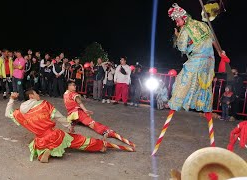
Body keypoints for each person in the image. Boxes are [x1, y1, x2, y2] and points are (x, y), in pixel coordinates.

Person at [152, 3, 222, 155]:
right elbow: (214, 41)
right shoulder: (203, 25)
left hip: (197, 61)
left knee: (182, 80)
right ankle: (205, 109)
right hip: (210, 62)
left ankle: (175, 104)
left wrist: (177, 37)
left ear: (183, 17)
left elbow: (182, 48)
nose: (176, 22)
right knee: (205, 86)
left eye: (177, 20)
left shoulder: (185, 30)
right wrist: (221, 53)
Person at [5, 90, 134, 163]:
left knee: (37, 144)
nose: (39, 96)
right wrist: (69, 126)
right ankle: (100, 146)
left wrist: (11, 99)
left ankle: (44, 153)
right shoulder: (44, 104)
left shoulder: (20, 113)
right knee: (78, 141)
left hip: (40, 139)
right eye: (37, 94)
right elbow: (59, 116)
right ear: (31, 96)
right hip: (55, 135)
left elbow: (8, 113)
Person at [64, 81, 135, 147]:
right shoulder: (73, 94)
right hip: (77, 113)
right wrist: (85, 110)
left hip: (71, 114)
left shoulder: (65, 94)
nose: (75, 87)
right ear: (69, 86)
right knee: (91, 123)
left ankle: (73, 123)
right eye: (73, 85)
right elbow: (79, 103)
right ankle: (105, 131)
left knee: (79, 120)